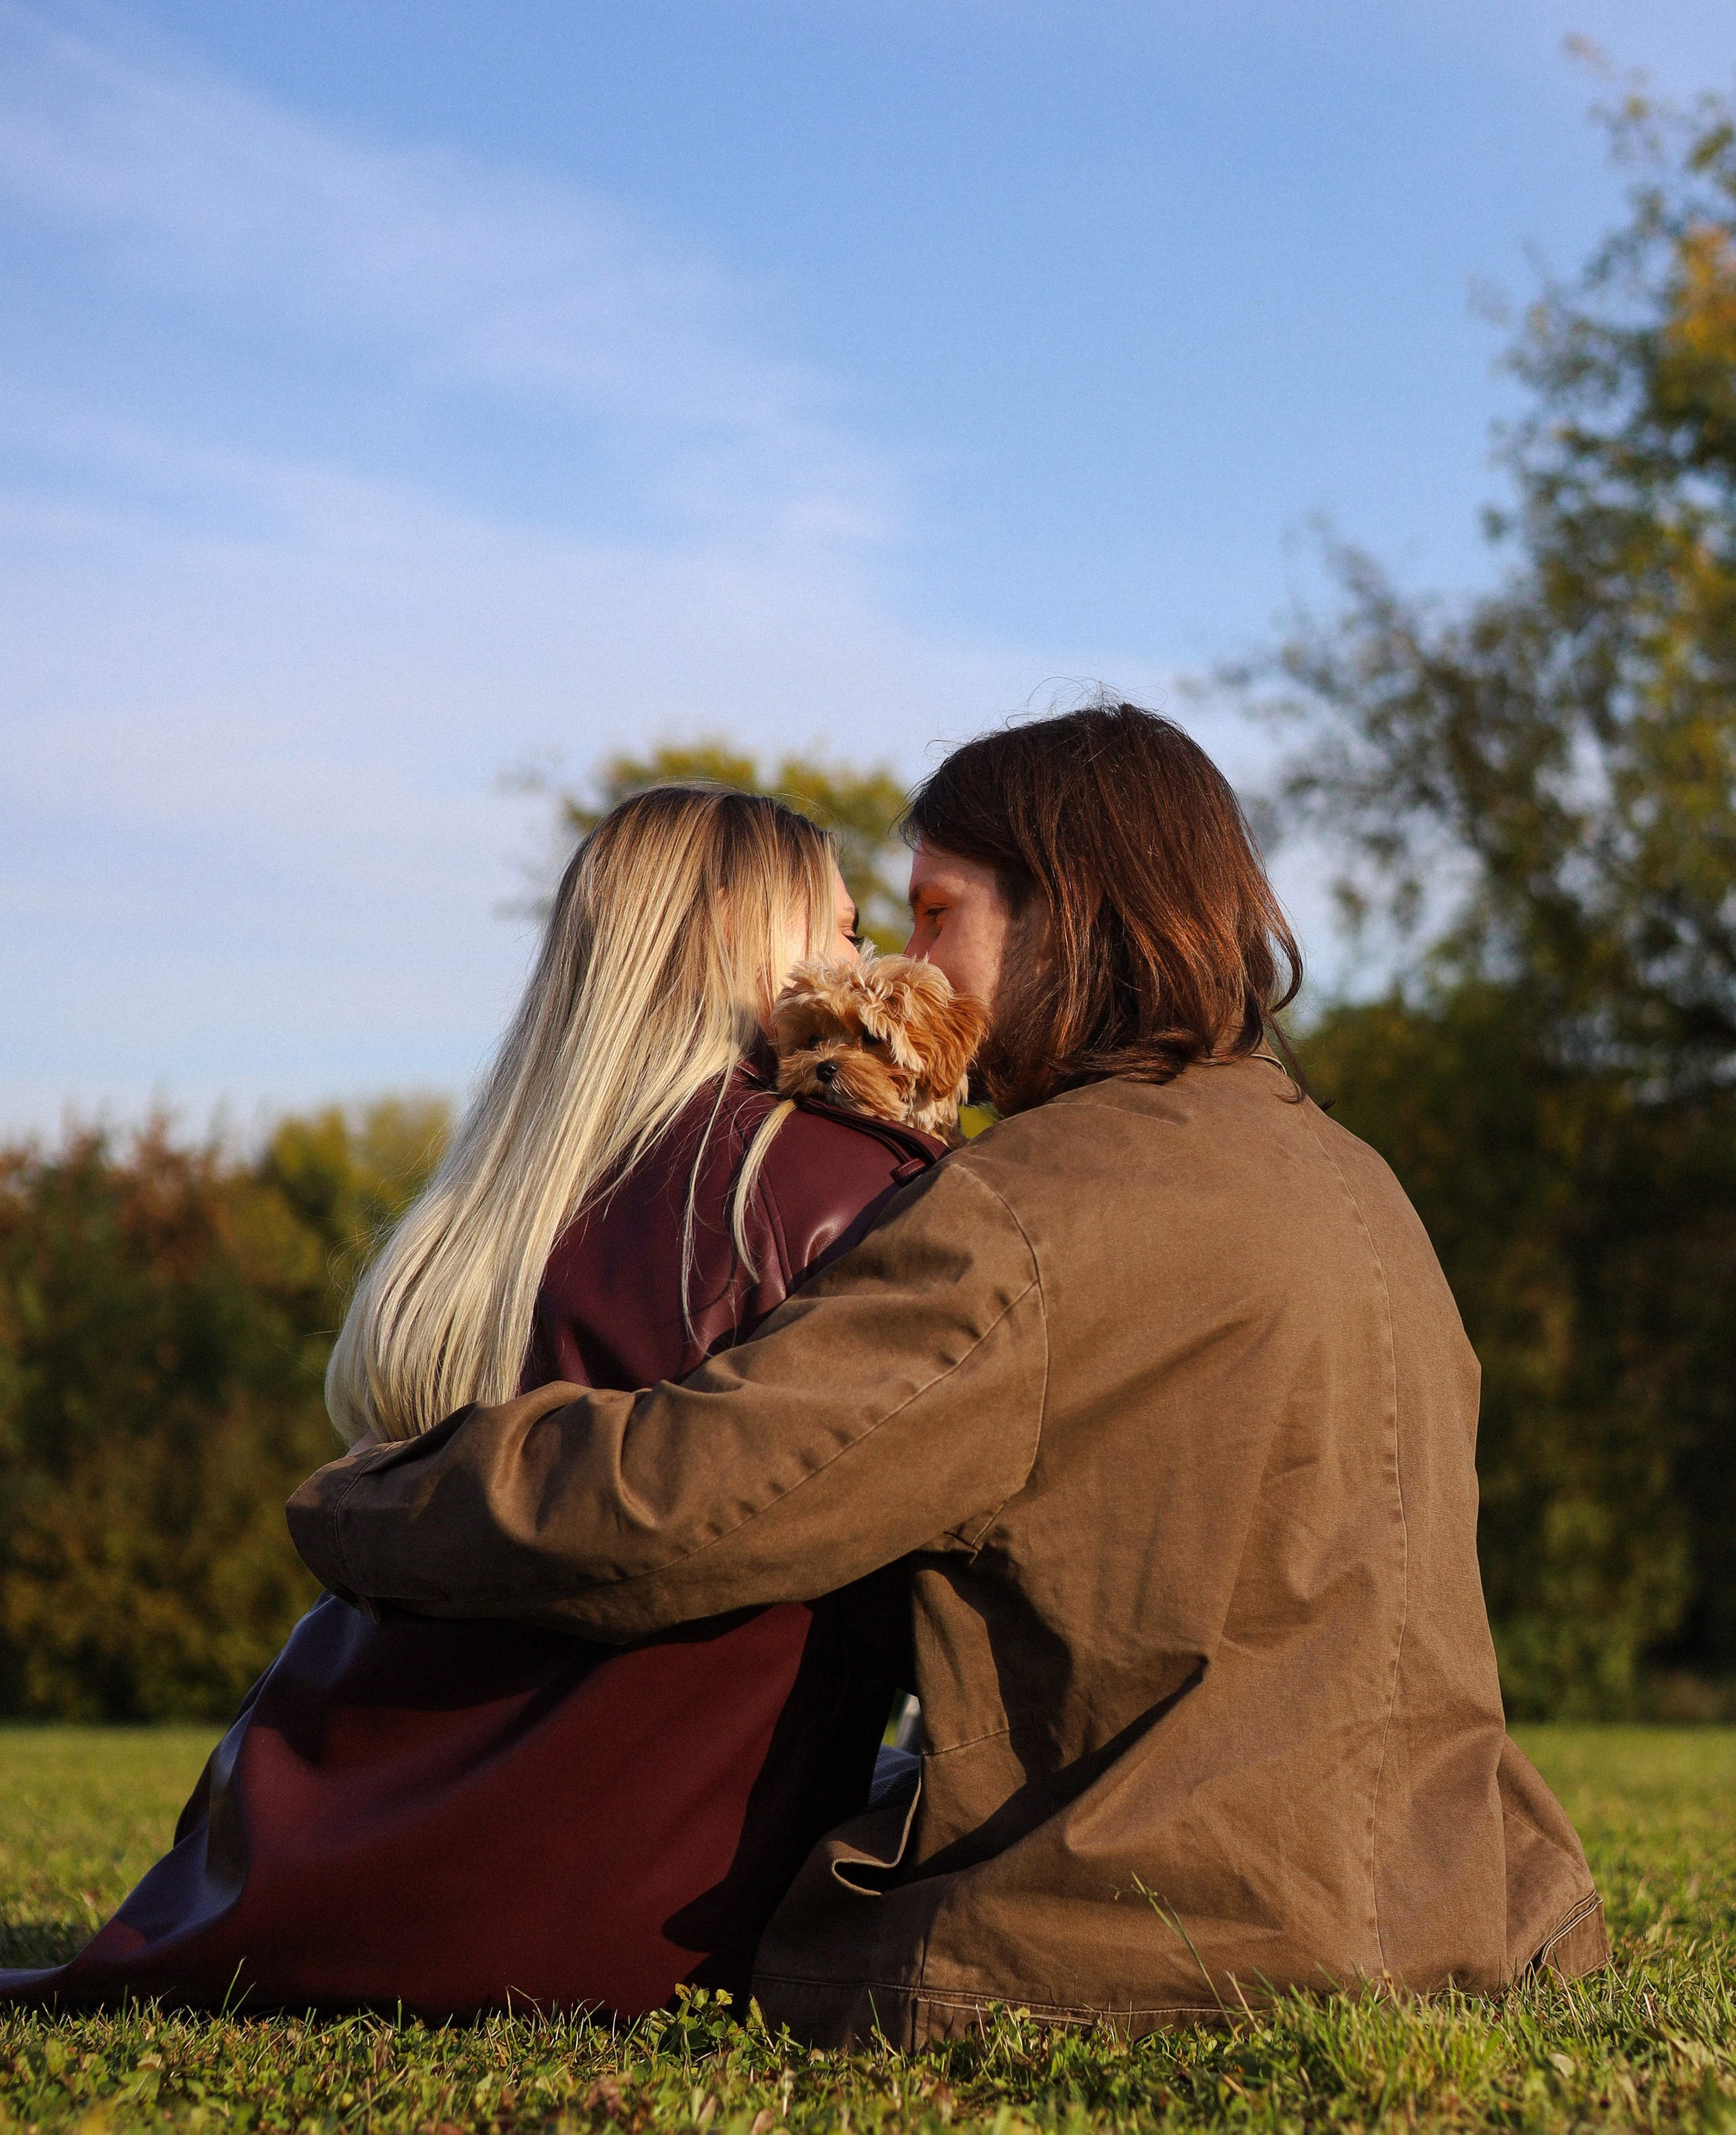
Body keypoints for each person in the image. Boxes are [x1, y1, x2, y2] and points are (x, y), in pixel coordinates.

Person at [289, 703, 1606, 2049]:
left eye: (933, 915)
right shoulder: (1353, 1179)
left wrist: (376, 1502)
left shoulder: (1023, 1211)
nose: (902, 968)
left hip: (1144, 1937)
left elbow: (686, 1507)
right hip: (1467, 1913)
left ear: (1070, 915)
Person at [2, 787, 943, 2016]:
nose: (869, 963)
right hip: (644, 1913)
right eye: (845, 926)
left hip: (305, 1867)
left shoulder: (493, 1201)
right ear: (746, 938)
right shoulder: (846, 1180)